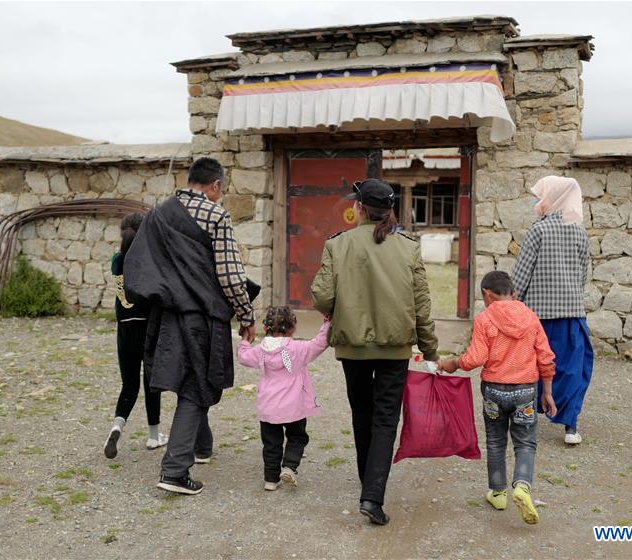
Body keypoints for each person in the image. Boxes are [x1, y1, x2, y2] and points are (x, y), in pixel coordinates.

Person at [124, 157, 255, 495]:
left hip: (167, 314)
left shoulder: (158, 214)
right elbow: (229, 275)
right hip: (202, 314)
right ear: (216, 186)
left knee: (191, 380)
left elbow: (138, 264)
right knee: (198, 385)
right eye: (220, 190)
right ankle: (174, 471)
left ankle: (201, 447)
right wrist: (246, 315)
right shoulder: (216, 214)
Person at [311, 178, 439, 526]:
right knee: (385, 419)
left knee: (361, 413)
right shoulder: (408, 247)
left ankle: (368, 483)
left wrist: (334, 308)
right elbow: (422, 303)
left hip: (353, 347)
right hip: (396, 347)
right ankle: (372, 494)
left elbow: (321, 296)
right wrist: (429, 349)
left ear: (360, 208)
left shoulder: (338, 244)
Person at [439, 271, 557, 525]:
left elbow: (475, 358)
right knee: (525, 443)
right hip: (525, 390)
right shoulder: (531, 317)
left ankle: (498, 493)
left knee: (495, 441)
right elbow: (545, 357)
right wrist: (547, 393)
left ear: (486, 294)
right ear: (512, 292)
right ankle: (522, 487)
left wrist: (452, 363)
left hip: (493, 390)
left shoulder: (485, 319)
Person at [511, 175, 593, 445]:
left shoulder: (539, 230)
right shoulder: (579, 231)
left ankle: (527, 418)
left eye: (541, 195)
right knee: (570, 369)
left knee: (533, 368)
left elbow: (522, 274)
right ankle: (571, 426)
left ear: (551, 198)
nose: (538, 200)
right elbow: (583, 275)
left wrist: (512, 304)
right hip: (571, 313)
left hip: (539, 317)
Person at [237, 307, 329, 491]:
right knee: (297, 437)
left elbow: (243, 357)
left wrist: (245, 341)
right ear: (293, 327)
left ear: (265, 327)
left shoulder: (260, 350)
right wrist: (327, 323)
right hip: (294, 406)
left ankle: (270, 479)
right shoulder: (298, 349)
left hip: (268, 407)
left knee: (271, 444)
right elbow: (319, 343)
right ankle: (289, 466)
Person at [104, 212, 168, 459]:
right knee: (152, 382)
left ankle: (116, 427)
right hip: (147, 327)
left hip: (125, 328)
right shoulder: (149, 261)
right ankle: (154, 436)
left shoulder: (116, 260)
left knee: (129, 384)